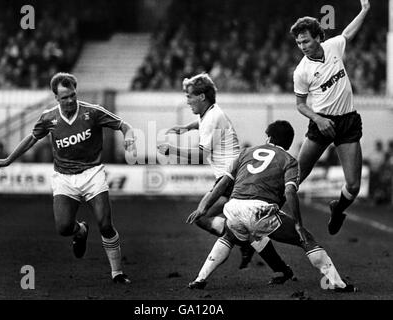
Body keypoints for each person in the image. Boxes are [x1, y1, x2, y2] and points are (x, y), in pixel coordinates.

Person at [0, 72, 135, 284]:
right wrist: (8, 160)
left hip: (92, 173)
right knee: (64, 228)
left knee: (105, 224)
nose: (70, 101)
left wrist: (129, 138)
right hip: (64, 177)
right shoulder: (48, 118)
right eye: (64, 97)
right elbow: (31, 139)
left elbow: (124, 125)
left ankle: (117, 273)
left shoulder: (92, 112)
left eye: (72, 95)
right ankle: (81, 230)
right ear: (56, 98)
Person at [186, 120, 356, 292]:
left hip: (233, 207)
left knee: (230, 236)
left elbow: (223, 183)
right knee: (306, 239)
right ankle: (336, 283)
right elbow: (290, 192)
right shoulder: (289, 160)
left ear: (268, 138)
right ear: (289, 143)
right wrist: (298, 224)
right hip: (260, 211)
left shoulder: (246, 152)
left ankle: (200, 279)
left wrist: (204, 208)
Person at [157, 73, 294, 284]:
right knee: (246, 228)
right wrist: (187, 128)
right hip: (233, 176)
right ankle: (277, 266)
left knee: (206, 218)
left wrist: (172, 149)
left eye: (189, 96)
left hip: (231, 178)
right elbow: (202, 122)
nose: (187, 101)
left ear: (202, 96)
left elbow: (202, 154)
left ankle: (250, 247)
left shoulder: (212, 117)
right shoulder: (210, 113)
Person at [291, 0, 370, 235]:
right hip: (321, 123)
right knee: (296, 176)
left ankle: (338, 209)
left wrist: (365, 10)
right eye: (298, 42)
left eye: (305, 40)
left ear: (317, 36)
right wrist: (318, 119)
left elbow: (347, 32)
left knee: (353, 186)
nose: (302, 46)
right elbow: (300, 105)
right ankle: (269, 214)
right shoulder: (301, 71)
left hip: (347, 122)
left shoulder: (334, 46)